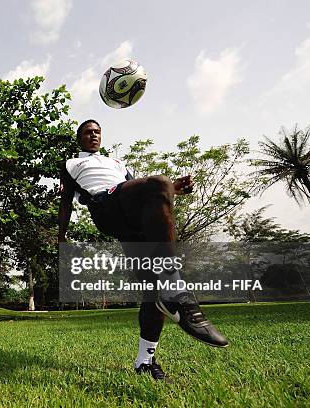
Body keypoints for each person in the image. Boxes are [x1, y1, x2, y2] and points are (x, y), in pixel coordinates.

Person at [58, 119, 228, 381]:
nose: (93, 135)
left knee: (152, 292)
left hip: (130, 220)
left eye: (97, 132)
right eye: (88, 132)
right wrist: (61, 238)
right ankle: (176, 290)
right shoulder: (71, 164)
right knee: (159, 182)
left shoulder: (116, 163)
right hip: (106, 208)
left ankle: (145, 363)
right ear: (79, 138)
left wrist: (171, 191)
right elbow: (65, 202)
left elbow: (136, 191)